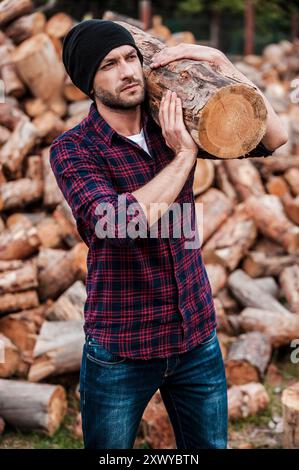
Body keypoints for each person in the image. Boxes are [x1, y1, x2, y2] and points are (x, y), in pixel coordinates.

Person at [49, 19, 288, 449]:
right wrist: (182, 158)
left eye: (130, 58)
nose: (127, 71)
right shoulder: (74, 148)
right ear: (88, 81)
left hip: (196, 337)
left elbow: (275, 138)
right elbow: (116, 224)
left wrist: (222, 63)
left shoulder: (175, 119)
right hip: (122, 346)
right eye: (109, 64)